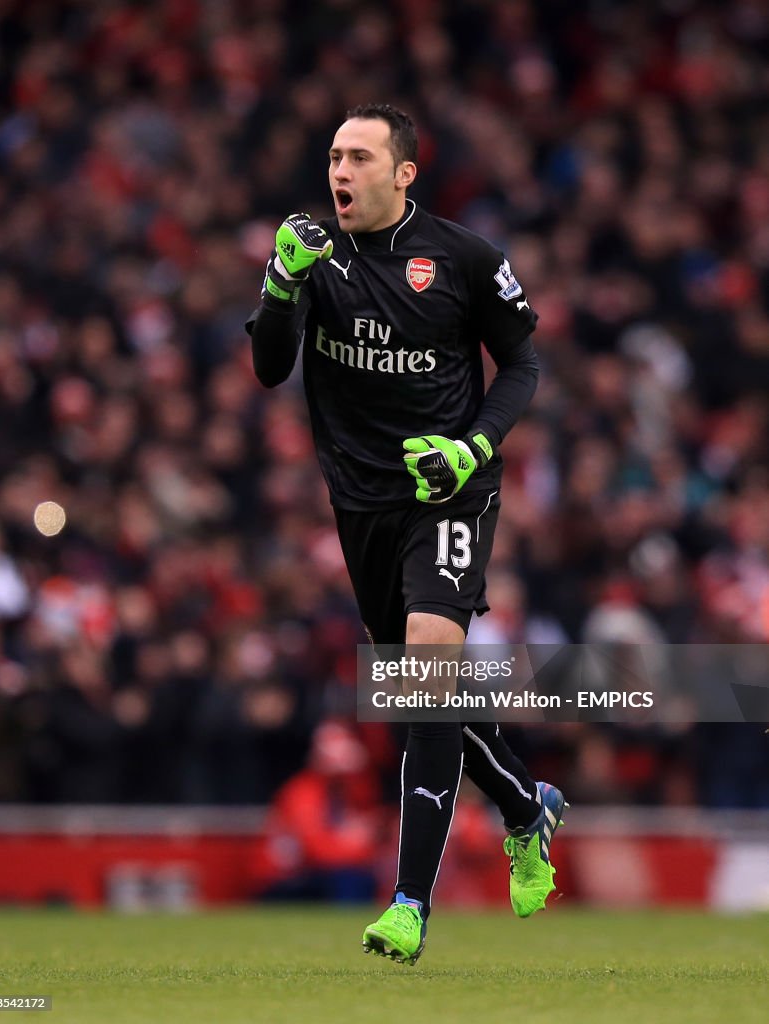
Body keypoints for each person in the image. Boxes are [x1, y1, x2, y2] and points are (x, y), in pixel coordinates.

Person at [247, 104, 567, 965]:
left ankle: (409, 905)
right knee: (423, 694)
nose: (339, 172)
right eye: (333, 156)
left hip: (451, 489)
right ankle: (525, 809)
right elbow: (271, 366)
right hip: (361, 505)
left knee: (428, 665)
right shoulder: (310, 252)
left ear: (403, 173)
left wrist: (474, 447)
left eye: (358, 157)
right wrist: (279, 283)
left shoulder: (464, 258)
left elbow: (525, 363)